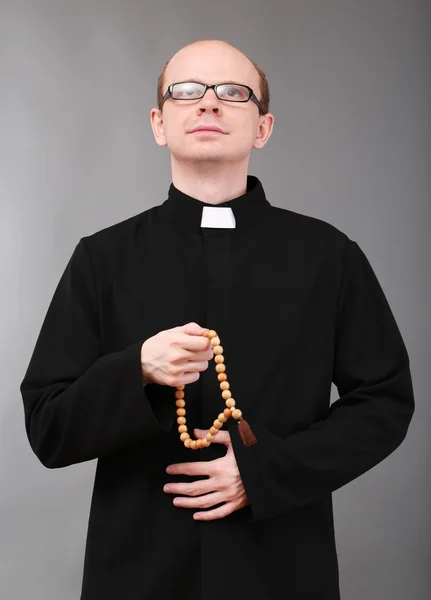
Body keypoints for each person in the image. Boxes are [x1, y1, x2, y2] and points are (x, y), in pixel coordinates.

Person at [20, 39, 415, 600]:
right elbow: (47, 427)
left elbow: (386, 401)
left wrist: (265, 473)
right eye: (186, 92)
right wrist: (136, 370)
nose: (208, 104)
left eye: (233, 92)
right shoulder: (102, 259)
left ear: (263, 127)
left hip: (281, 568)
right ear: (160, 123)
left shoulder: (329, 255)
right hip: (137, 571)